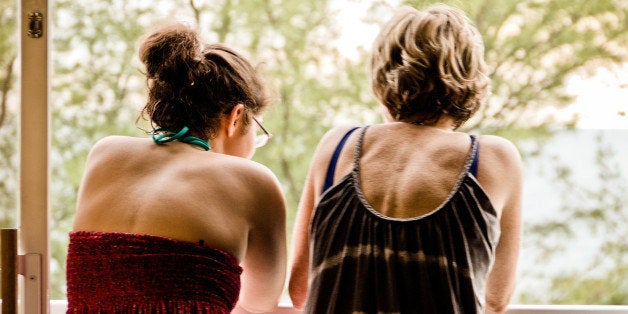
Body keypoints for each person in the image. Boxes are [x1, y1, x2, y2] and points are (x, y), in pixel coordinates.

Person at [288, 4, 521, 314]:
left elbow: (300, 289)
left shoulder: (337, 146)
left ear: (382, 73)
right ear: (470, 76)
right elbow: (496, 299)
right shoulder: (493, 159)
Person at [66, 23, 287, 313]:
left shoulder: (105, 153)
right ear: (236, 117)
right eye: (258, 130)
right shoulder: (254, 181)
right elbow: (259, 305)